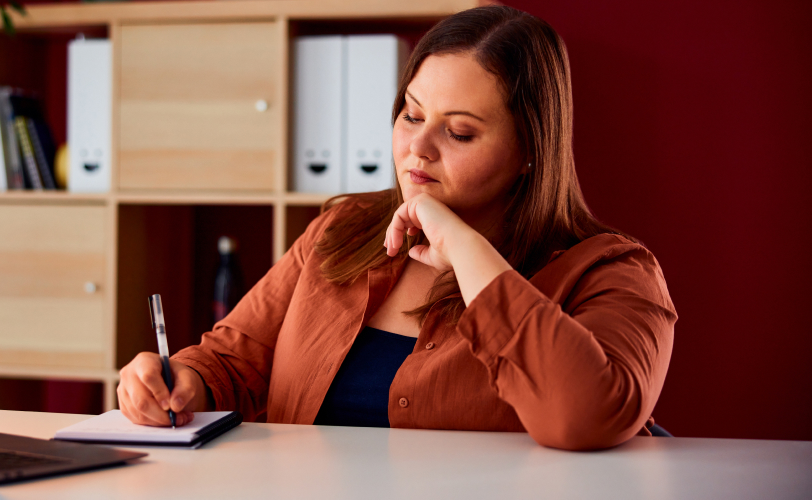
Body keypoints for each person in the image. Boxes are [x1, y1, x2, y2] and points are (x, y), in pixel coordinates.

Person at [117, 5, 676, 451]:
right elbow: (233, 361)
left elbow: (587, 419)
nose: (417, 148)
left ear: (530, 150)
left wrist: (462, 245)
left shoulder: (612, 272)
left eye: (459, 133)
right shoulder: (344, 229)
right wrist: (178, 379)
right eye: (411, 115)